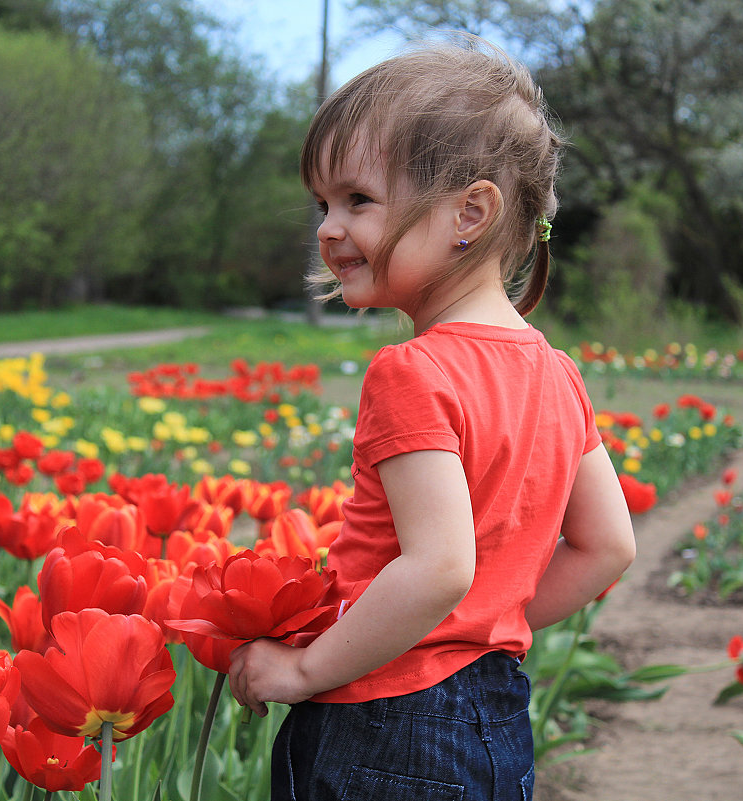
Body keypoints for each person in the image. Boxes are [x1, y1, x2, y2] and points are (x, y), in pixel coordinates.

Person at [228, 34, 637, 801]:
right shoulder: (557, 373)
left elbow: (439, 565)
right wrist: (487, 625)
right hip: (494, 716)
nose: (326, 227)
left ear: (468, 213)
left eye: (357, 199)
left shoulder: (412, 369)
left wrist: (307, 666)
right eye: (322, 202)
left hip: (379, 718)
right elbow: (606, 545)